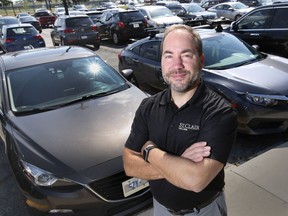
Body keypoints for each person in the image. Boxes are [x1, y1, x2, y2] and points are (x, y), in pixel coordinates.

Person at [123, 24, 238, 216]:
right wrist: (180, 163)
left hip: (204, 211)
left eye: (186, 55)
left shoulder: (220, 113)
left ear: (200, 60)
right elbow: (129, 165)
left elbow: (195, 180)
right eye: (169, 55)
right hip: (160, 209)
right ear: (161, 61)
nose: (177, 65)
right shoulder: (148, 107)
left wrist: (150, 151)